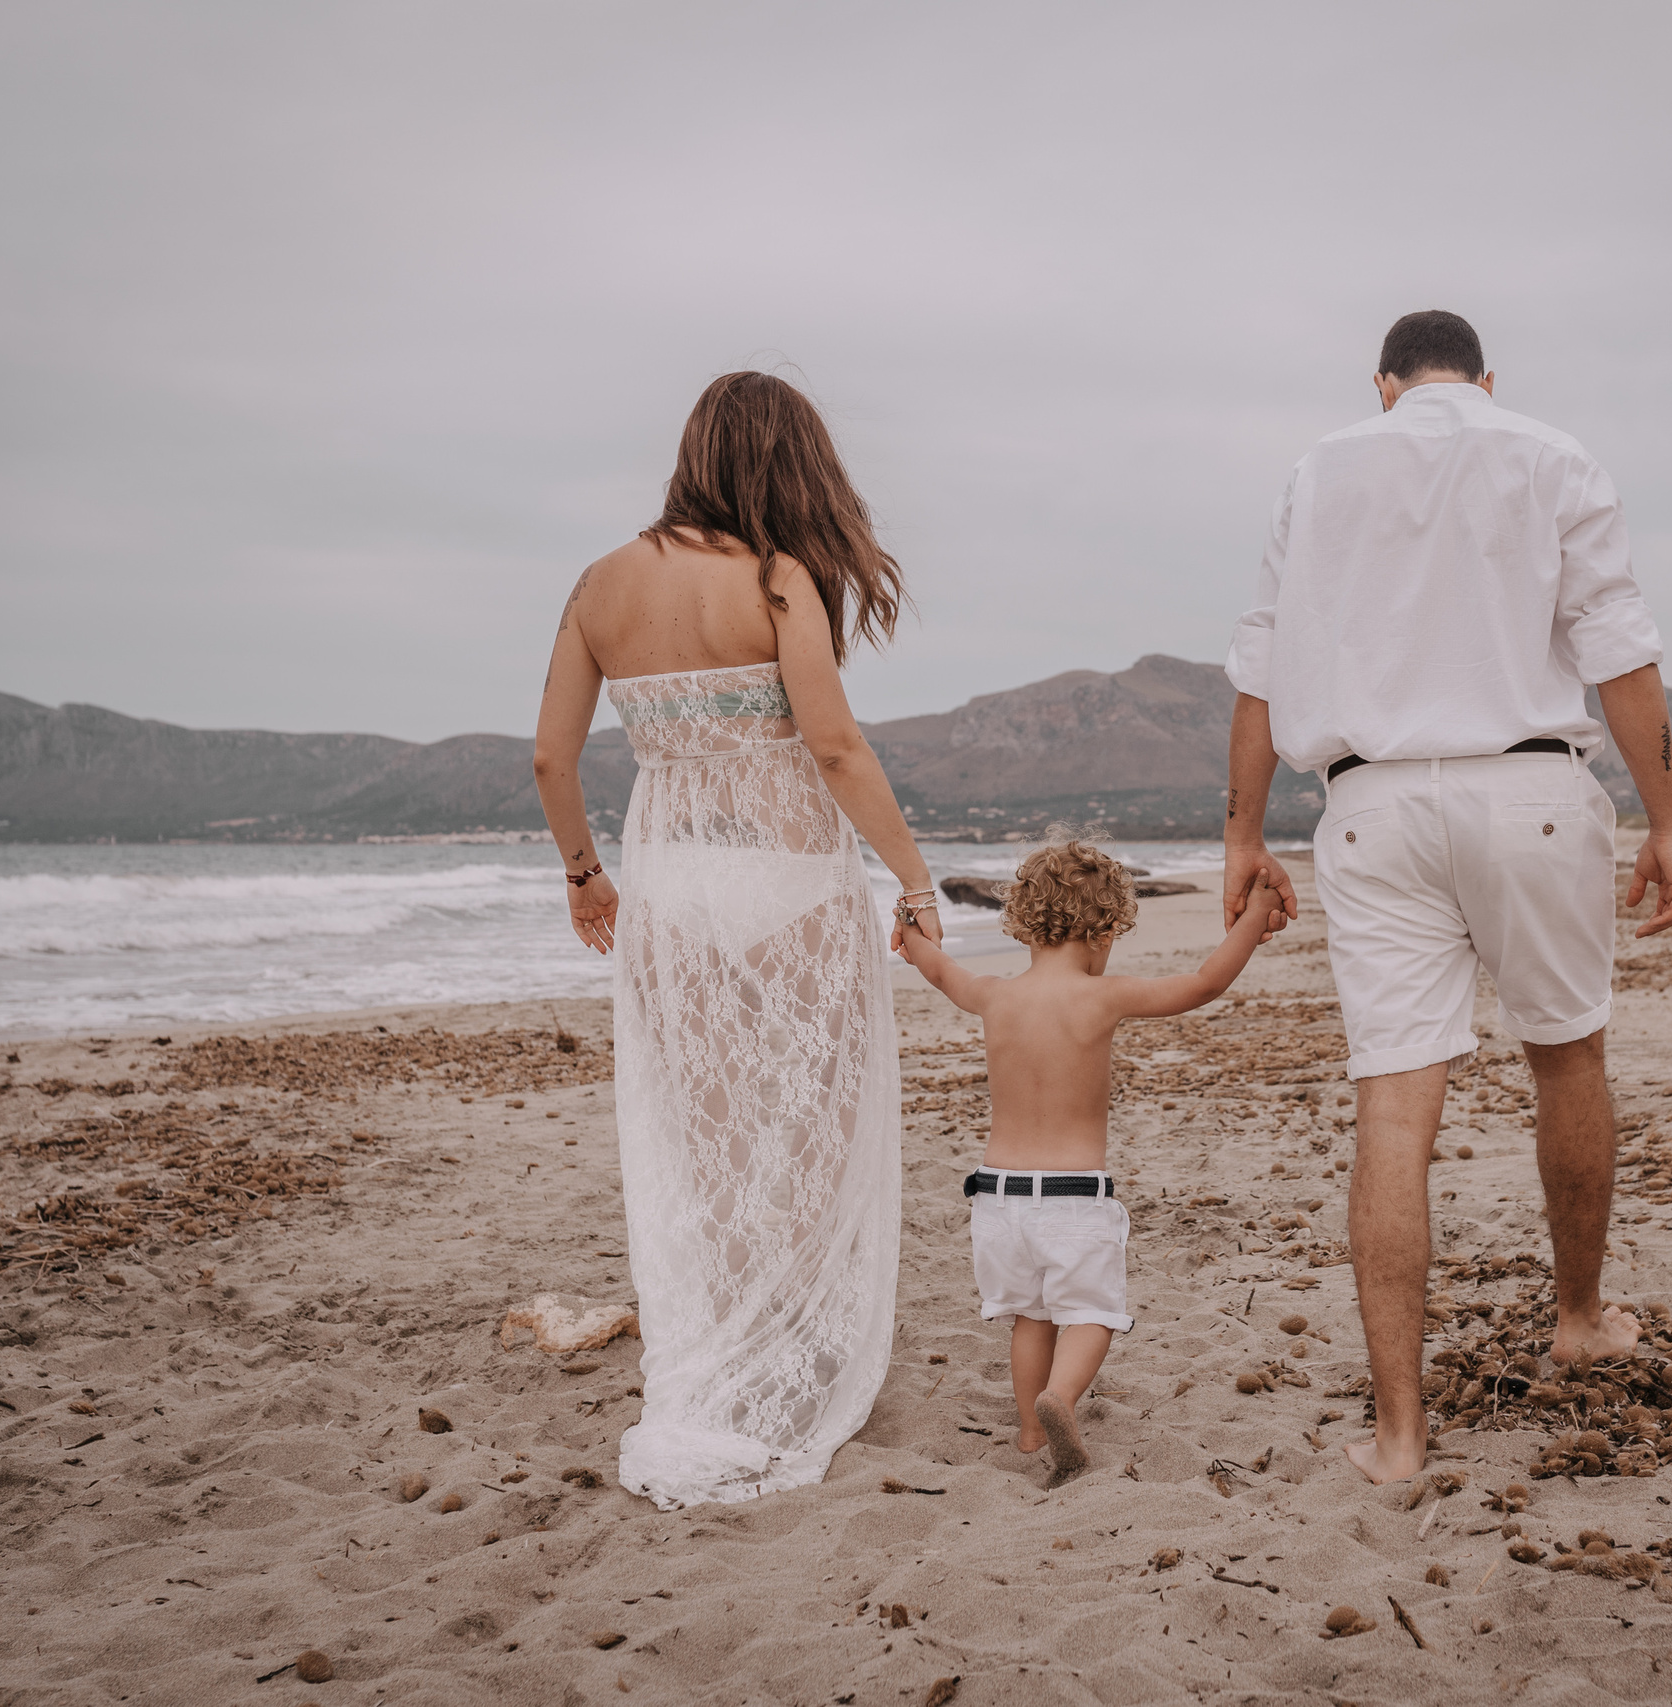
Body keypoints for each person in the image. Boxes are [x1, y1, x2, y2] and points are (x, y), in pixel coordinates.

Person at [1220, 310, 1672, 1486]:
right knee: (1566, 1059)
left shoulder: (1316, 471)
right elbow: (1619, 648)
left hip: (1371, 809)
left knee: (1393, 1110)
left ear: (1384, 386)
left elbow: (1261, 667)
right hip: (1530, 792)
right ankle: (1577, 1318)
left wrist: (1240, 832)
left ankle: (1397, 1439)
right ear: (1485, 378)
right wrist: (1668, 818)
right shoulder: (1552, 452)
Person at [532, 370, 943, 1508]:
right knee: (808, 1112)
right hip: (791, 877)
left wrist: (582, 877)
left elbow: (550, 760)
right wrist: (911, 878)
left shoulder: (598, 584)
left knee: (703, 1124)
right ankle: (798, 1345)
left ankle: (722, 1342)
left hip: (671, 882)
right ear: (786, 462)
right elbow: (837, 748)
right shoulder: (773, 576)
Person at [898, 837, 1286, 1484]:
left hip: (997, 1197)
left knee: (1031, 1315)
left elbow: (936, 969)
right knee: (1090, 1313)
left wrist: (909, 931)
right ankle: (1062, 1397)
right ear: (1104, 932)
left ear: (1024, 923)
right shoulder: (1101, 998)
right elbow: (1204, 983)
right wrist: (1255, 915)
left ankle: (1028, 1430)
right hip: (1075, 1197)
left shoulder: (994, 993)